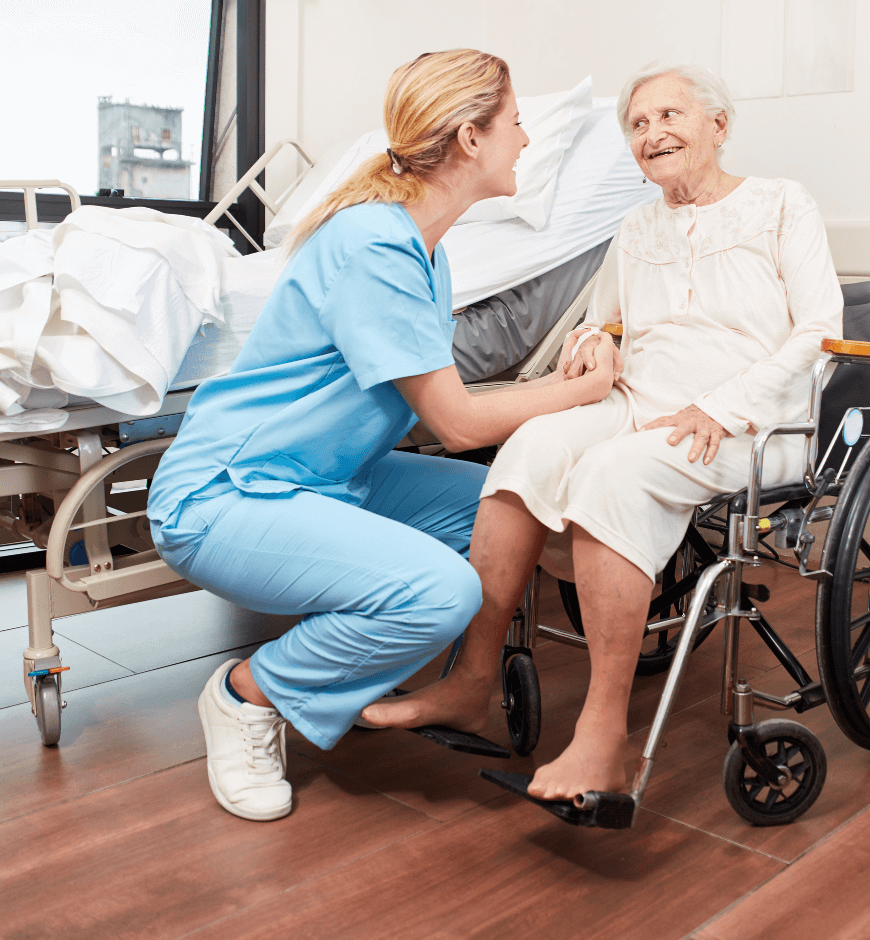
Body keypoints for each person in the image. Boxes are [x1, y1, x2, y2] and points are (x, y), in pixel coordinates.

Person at [147, 49, 618, 822]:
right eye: (515, 123)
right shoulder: (375, 244)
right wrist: (580, 391)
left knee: (515, 500)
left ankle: (457, 685)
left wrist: (574, 362)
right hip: (226, 494)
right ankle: (246, 695)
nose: (526, 139)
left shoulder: (426, 249)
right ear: (470, 138)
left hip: (331, 479)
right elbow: (457, 422)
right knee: (441, 592)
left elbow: (449, 393)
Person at [363, 61, 843, 803]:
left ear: (718, 125)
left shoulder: (782, 205)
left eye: (669, 116)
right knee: (528, 448)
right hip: (640, 399)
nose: (652, 133)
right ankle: (472, 679)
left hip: (750, 420)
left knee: (612, 473)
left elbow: (819, 332)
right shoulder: (636, 224)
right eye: (638, 124)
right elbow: (602, 315)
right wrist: (595, 340)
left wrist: (722, 404)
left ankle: (603, 736)